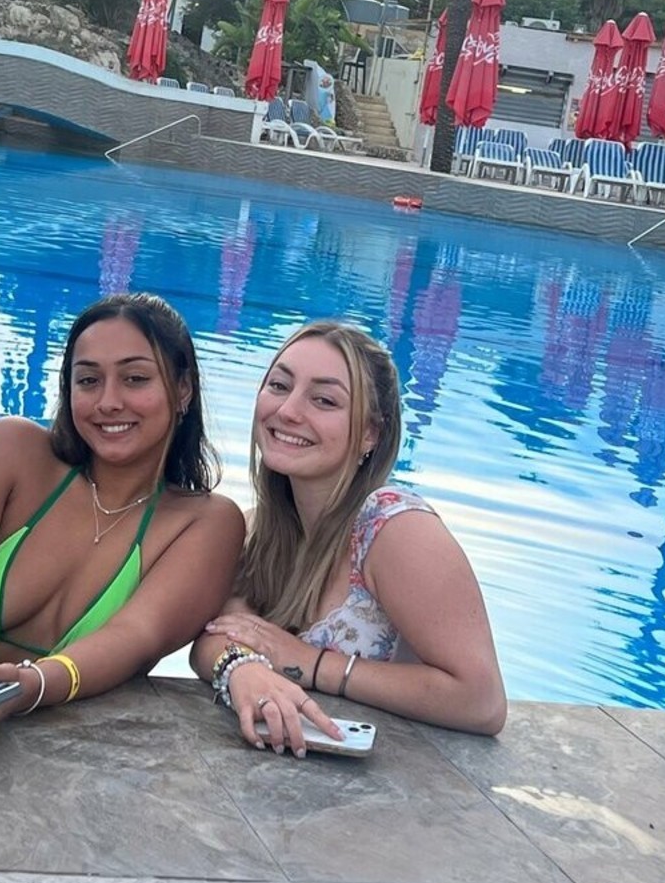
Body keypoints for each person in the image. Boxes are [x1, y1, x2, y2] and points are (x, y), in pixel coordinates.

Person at [0, 292, 245, 746]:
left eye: (135, 378)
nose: (108, 402)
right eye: (88, 380)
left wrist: (31, 687)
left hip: (3, 746)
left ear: (183, 388)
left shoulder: (205, 523)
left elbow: (135, 637)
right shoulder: (13, 452)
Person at [190, 321, 506, 755]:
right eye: (280, 386)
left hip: (405, 781)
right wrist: (243, 669)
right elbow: (217, 633)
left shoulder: (394, 528)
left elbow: (482, 701)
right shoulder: (260, 529)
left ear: (370, 433)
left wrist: (310, 663)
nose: (289, 411)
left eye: (324, 400)